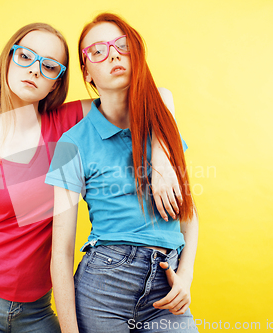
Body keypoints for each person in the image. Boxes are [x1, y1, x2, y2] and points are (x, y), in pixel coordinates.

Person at [0, 22, 182, 333]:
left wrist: (163, 158)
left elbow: (156, 96)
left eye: (48, 66)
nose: (34, 70)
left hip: (37, 309)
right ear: (8, 59)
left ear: (55, 83)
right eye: (25, 57)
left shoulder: (66, 124)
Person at [46, 13, 199, 333]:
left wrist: (185, 276)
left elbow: (189, 216)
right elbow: (60, 252)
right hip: (103, 285)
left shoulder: (164, 129)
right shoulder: (71, 143)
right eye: (98, 51)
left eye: (122, 45)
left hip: (167, 285)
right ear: (86, 72)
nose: (113, 54)